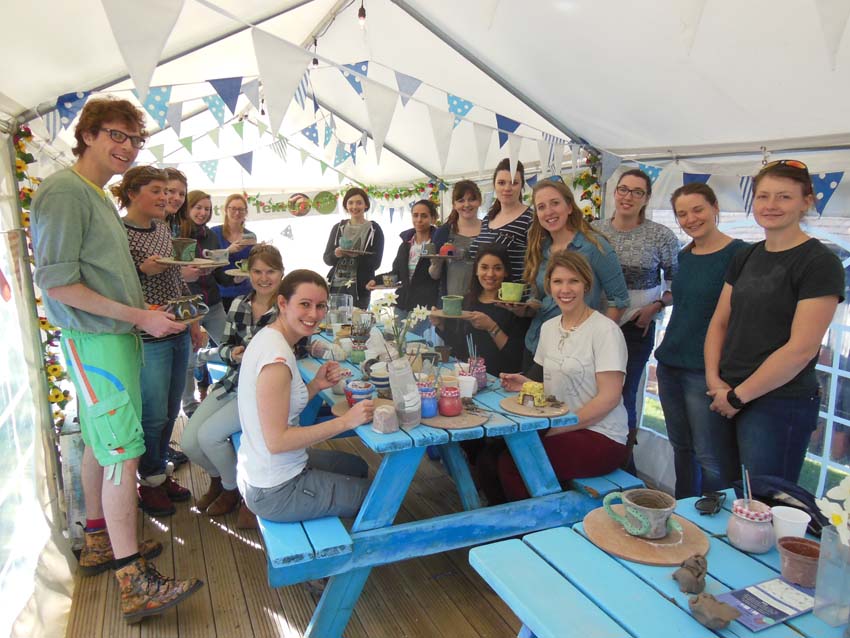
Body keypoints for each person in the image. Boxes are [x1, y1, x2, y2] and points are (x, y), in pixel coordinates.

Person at [29, 97, 201, 622]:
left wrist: (139, 311)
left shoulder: (95, 194)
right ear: (86, 134)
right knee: (124, 453)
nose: (126, 147)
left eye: (134, 139)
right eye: (116, 135)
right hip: (98, 342)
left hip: (114, 337)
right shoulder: (64, 192)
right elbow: (56, 283)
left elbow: (96, 273)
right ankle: (134, 582)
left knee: (103, 445)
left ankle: (101, 541)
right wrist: (137, 315)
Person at [704, 160, 845, 482]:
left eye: (783, 197)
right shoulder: (746, 256)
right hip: (725, 391)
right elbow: (719, 323)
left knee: (764, 503)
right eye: (763, 196)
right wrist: (715, 381)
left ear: (806, 201)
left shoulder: (820, 263)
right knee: (726, 494)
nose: (771, 205)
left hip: (778, 401)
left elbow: (802, 349)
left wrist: (740, 396)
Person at [236, 270, 375, 523]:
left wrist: (316, 385)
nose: (314, 314)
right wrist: (346, 422)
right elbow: (277, 441)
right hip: (275, 489)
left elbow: (280, 405)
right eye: (304, 304)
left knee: (357, 467)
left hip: (267, 467)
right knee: (378, 498)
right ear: (282, 303)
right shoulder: (276, 361)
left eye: (320, 306)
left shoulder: (272, 337)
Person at [496, 252, 630, 501]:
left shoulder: (605, 331)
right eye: (558, 282)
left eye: (573, 281)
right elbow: (553, 381)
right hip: (560, 425)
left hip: (602, 434)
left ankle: (536, 531)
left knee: (515, 465)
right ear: (549, 286)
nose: (565, 289)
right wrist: (526, 383)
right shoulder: (549, 328)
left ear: (587, 285)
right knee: (493, 453)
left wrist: (560, 428)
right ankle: (516, 523)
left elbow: (609, 398)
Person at [654, 183, 748, 498]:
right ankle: (682, 514)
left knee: (710, 455)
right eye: (682, 214)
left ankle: (714, 523)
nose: (691, 219)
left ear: (715, 208)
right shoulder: (684, 257)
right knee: (681, 447)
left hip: (705, 371)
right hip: (670, 363)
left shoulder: (740, 255)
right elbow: (682, 302)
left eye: (698, 210)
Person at [116, 166, 198, 517]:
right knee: (151, 415)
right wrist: (140, 272)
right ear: (133, 192)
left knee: (169, 413)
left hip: (178, 329)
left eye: (168, 191)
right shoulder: (119, 232)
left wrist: (193, 320)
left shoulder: (164, 228)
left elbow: (177, 278)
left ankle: (157, 473)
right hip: (148, 336)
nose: (167, 197)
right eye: (157, 190)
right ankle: (148, 482)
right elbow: (112, 286)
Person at [183, 244, 283, 527]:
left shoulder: (286, 308)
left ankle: (233, 489)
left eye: (271, 272)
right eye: (257, 272)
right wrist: (232, 353)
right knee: (191, 442)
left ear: (281, 273)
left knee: (210, 437)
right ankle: (222, 481)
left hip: (260, 391)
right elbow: (225, 345)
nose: (264, 278)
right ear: (247, 273)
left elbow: (294, 350)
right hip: (233, 381)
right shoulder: (240, 304)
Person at [594, 168, 680, 457]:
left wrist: (656, 306)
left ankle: (621, 458)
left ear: (647, 198)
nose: (628, 197)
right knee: (591, 391)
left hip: (636, 327)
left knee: (623, 393)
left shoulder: (661, 236)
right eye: (623, 189)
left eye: (637, 192)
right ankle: (592, 450)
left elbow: (677, 285)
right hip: (596, 325)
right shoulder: (595, 231)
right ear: (614, 192)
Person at [522, 178, 629, 365]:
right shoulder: (541, 248)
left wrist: (595, 342)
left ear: (570, 207)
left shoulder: (595, 247)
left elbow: (619, 301)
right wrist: (526, 307)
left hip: (577, 353)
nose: (549, 212)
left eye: (555, 203)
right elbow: (542, 296)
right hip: (537, 344)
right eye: (541, 206)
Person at [431, 244, 527, 376]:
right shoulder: (466, 301)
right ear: (476, 270)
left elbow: (516, 357)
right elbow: (459, 349)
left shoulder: (516, 308)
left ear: (506, 272)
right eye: (484, 267)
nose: (490, 274)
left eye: (497, 268)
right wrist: (441, 324)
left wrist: (491, 327)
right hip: (468, 379)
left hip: (500, 381)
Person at [179, 190, 230, 416]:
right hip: (188, 306)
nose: (203, 212)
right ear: (188, 208)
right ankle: (190, 408)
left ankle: (233, 393)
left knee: (231, 348)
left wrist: (234, 276)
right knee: (188, 364)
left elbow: (219, 274)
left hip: (214, 303)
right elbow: (172, 274)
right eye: (198, 207)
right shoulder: (176, 234)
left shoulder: (211, 235)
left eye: (207, 209)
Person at [368, 199, 440, 334]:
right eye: (415, 215)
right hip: (402, 302)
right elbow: (397, 274)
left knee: (411, 339)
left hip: (424, 305)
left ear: (433, 218)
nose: (419, 219)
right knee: (395, 339)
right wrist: (376, 280)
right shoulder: (406, 244)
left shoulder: (438, 244)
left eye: (424, 216)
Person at [468, 158, 533, 283]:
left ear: (522, 185)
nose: (507, 188)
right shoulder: (488, 218)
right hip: (483, 295)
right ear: (494, 185)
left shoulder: (530, 219)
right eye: (501, 183)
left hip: (513, 298)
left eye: (514, 183)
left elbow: (537, 264)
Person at [323, 187, 384, 310]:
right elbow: (327, 259)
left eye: (359, 202)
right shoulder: (338, 227)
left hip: (360, 288)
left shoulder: (374, 229)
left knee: (356, 324)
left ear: (366, 205)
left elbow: (376, 263)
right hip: (335, 287)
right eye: (350, 203)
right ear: (345, 205)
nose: (354, 207)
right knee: (334, 322)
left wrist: (357, 256)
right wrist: (336, 254)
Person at [429, 180, 482, 298]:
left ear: (479, 201)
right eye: (461, 200)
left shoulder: (490, 231)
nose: (467, 205)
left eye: (472, 199)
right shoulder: (443, 232)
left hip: (483, 305)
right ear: (454, 204)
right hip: (451, 304)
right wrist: (436, 264)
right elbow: (434, 275)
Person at [212, 193, 256, 311]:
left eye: (241, 209)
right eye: (233, 209)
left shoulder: (250, 236)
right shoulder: (214, 233)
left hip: (245, 291)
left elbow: (254, 262)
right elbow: (208, 261)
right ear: (226, 210)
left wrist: (261, 251)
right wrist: (228, 251)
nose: (237, 213)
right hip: (221, 292)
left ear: (246, 212)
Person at [163, 167, 187, 237]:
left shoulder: (174, 225)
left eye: (182, 194)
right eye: (171, 191)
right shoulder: (145, 225)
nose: (177, 198)